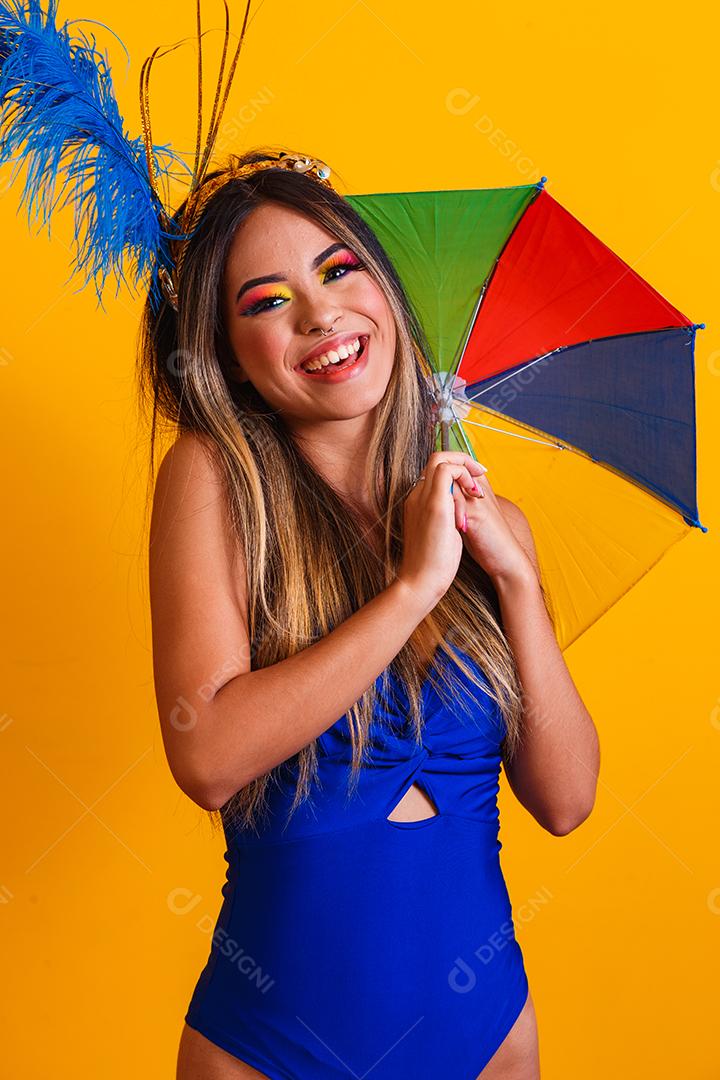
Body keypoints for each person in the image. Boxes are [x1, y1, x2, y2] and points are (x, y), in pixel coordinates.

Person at [145, 149, 600, 1080]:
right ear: (227, 355)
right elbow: (207, 758)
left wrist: (511, 579)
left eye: (338, 268)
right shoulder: (215, 484)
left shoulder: (481, 525)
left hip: (489, 1045)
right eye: (264, 301)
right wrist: (411, 593)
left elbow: (566, 800)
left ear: (386, 287)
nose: (319, 314)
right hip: (272, 1050)